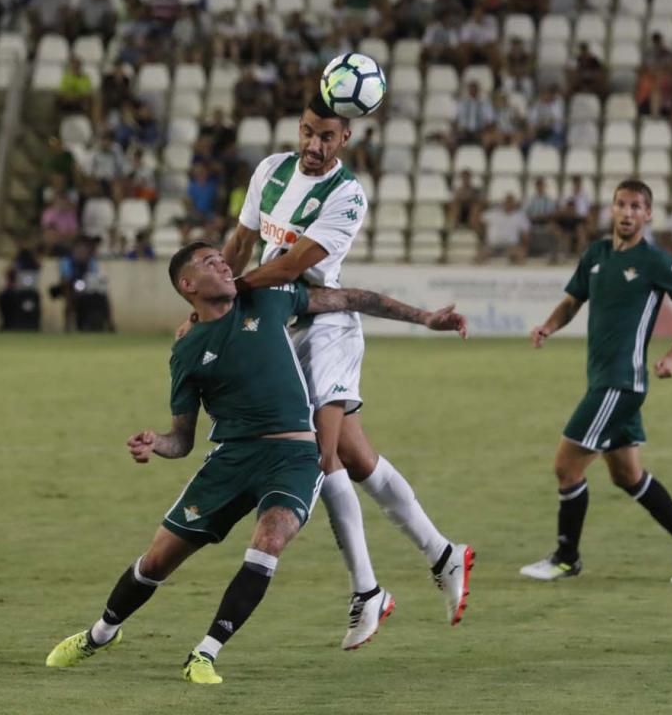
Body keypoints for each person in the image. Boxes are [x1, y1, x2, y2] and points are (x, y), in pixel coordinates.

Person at [46, 242, 467, 683]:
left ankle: (205, 654)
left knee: (269, 540)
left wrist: (425, 318)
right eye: (209, 262)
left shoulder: (267, 299)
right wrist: (155, 444)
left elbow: (350, 298)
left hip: (294, 457)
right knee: (157, 562)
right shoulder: (187, 351)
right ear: (187, 285)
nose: (224, 263)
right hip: (231, 458)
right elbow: (182, 439)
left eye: (221, 258)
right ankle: (100, 633)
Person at [213, 95, 476, 650]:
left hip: (327, 327)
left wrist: (229, 292)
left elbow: (289, 264)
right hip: (285, 323)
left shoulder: (348, 195)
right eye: (307, 131)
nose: (313, 145)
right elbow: (240, 243)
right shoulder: (269, 171)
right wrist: (213, 304)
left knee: (320, 454)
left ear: (346, 140)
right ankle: (444, 553)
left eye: (325, 137)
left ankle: (367, 591)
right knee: (357, 459)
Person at [521, 179, 672, 584]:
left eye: (636, 206)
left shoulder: (656, 261)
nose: (627, 213)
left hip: (621, 383)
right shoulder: (596, 255)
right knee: (627, 475)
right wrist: (549, 327)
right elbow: (573, 300)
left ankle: (565, 558)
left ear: (648, 215)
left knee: (566, 466)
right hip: (602, 381)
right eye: (621, 205)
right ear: (611, 210)